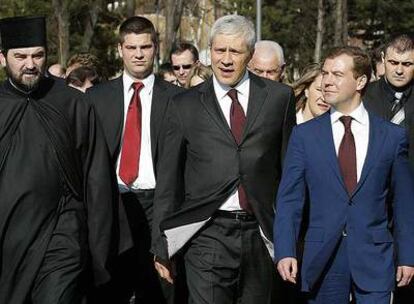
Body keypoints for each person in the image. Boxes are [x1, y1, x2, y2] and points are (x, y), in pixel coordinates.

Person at [152, 14, 296, 304]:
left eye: (235, 51)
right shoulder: (184, 105)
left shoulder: (279, 98)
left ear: (250, 55)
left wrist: (289, 237)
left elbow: (289, 173)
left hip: (260, 233)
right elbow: (168, 180)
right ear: (209, 52)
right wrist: (161, 245)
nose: (226, 60)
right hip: (207, 233)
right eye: (220, 50)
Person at [274, 46, 414, 304]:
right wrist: (285, 250)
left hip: (375, 260)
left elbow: (403, 203)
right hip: (321, 261)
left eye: (337, 74)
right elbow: (289, 200)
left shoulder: (392, 137)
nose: (327, 80)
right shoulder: (305, 135)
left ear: (360, 81)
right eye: (325, 73)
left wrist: (407, 255)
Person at [0, 15, 116, 304]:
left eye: (38, 55)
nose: (30, 64)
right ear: (2, 58)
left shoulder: (71, 102)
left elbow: (96, 176)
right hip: (9, 239)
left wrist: (98, 245)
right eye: (20, 56)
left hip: (62, 232)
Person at [86, 16, 184, 304]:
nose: (138, 54)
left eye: (145, 46)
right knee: (110, 289)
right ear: (120, 50)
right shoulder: (96, 97)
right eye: (131, 47)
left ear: (155, 48)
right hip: (113, 205)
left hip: (159, 206)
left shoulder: (179, 100)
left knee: (159, 290)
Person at [364, 34, 414, 304]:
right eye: (393, 61)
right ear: (382, 61)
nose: (398, 69)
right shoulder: (363, 98)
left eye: (407, 64)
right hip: (372, 207)